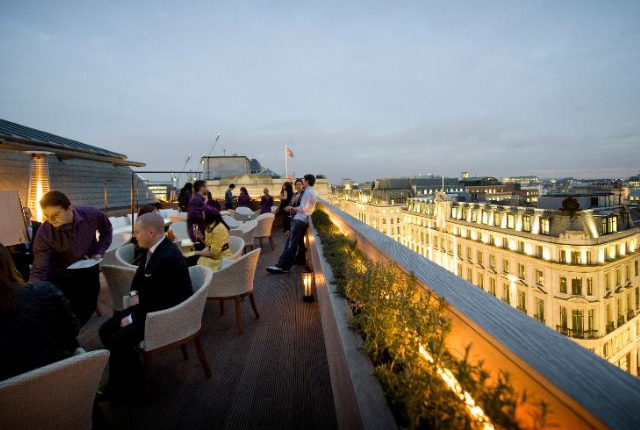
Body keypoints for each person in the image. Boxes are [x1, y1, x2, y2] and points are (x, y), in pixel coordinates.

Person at [98, 213, 192, 402]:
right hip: (149, 307)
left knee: (117, 339)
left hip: (165, 315)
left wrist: (132, 318)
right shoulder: (153, 250)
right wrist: (133, 297)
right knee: (105, 330)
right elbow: (138, 279)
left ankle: (125, 387)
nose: (134, 236)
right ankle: (135, 376)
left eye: (137, 232)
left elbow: (164, 301)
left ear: (151, 232)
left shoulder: (168, 257)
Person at [29, 191, 112, 326]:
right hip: (62, 274)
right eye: (47, 216)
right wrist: (31, 292)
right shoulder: (44, 233)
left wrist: (99, 251)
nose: (51, 220)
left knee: (87, 305)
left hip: (88, 266)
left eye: (55, 215)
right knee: (62, 311)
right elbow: (40, 267)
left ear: (69, 208)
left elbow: (107, 230)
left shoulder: (91, 214)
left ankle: (75, 329)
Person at [0, 243, 80, 381]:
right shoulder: (45, 292)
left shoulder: (43, 292)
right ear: (8, 263)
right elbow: (73, 329)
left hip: (9, 390)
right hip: (59, 376)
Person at [267, 174, 317, 274]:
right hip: (302, 220)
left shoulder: (307, 192)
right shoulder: (310, 192)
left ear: (307, 181)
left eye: (304, 180)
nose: (303, 182)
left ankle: (281, 266)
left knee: (290, 244)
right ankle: (285, 266)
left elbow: (303, 208)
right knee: (291, 245)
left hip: (299, 221)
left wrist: (292, 208)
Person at [186, 204, 231, 271]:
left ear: (208, 215)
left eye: (203, 212)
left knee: (189, 260)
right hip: (212, 256)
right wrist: (200, 237)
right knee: (187, 258)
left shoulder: (218, 229)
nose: (202, 214)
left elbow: (214, 253)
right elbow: (209, 245)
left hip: (219, 260)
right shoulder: (210, 226)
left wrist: (196, 252)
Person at [8, 207, 42, 281]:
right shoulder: (13, 229)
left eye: (26, 213)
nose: (24, 215)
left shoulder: (39, 226)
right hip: (20, 264)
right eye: (21, 214)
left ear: (30, 214)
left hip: (35, 260)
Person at [187, 180, 208, 248]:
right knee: (201, 249)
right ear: (202, 188)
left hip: (198, 230)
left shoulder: (198, 198)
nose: (207, 189)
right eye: (206, 187)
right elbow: (192, 216)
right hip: (198, 230)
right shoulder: (196, 199)